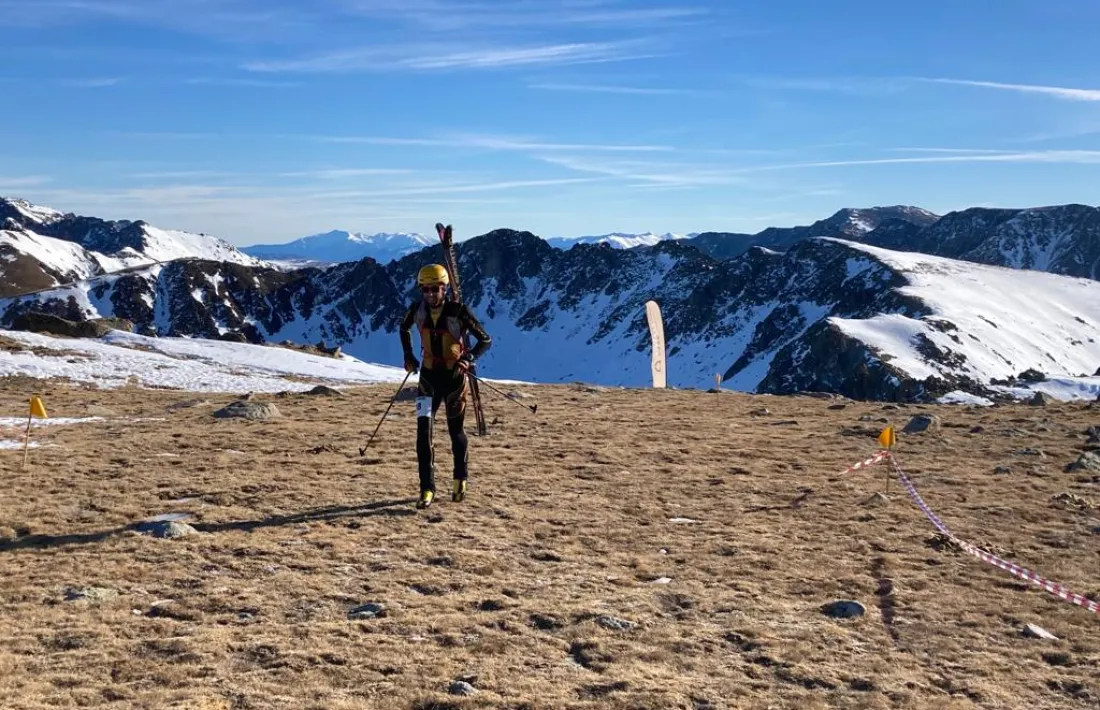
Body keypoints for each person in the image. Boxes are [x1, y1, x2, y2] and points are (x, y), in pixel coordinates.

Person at [399, 263, 492, 509]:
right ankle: (426, 488)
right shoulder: (416, 310)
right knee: (423, 435)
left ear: (445, 288)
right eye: (426, 290)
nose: (430, 294)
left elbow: (485, 339)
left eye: (435, 289)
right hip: (428, 379)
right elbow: (403, 328)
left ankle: (460, 478)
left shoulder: (459, 311)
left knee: (455, 432)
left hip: (453, 380)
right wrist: (408, 356)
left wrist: (468, 358)